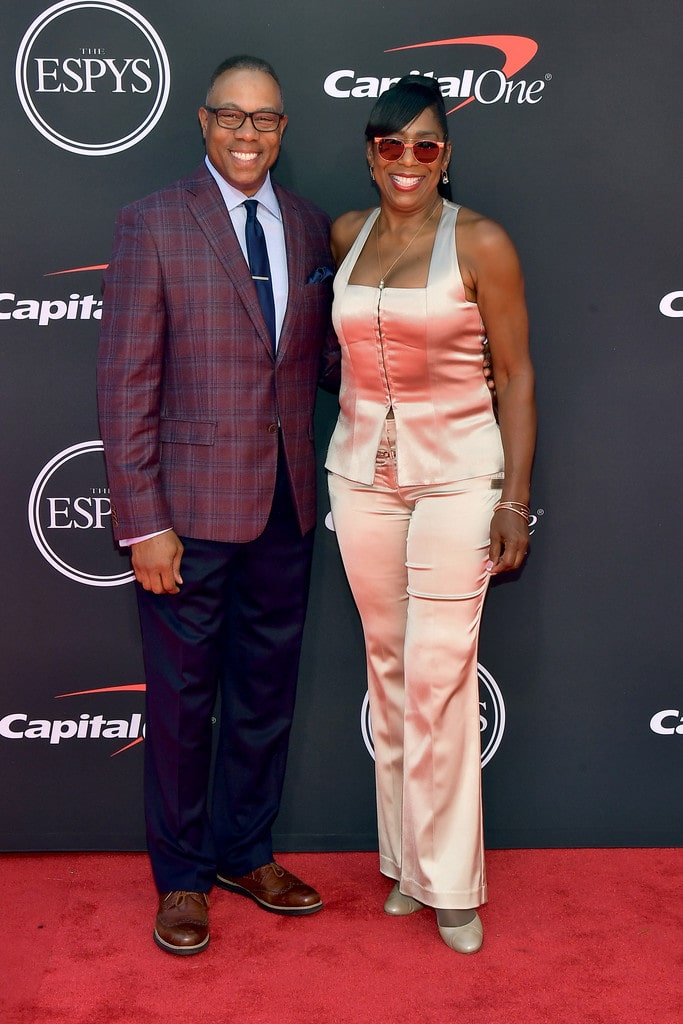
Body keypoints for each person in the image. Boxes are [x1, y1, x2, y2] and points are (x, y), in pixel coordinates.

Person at [97, 54, 339, 956]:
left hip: (286, 507)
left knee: (266, 698)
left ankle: (246, 852)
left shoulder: (312, 230)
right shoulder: (152, 224)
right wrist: (143, 522)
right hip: (186, 519)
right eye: (232, 117)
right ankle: (184, 878)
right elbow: (126, 388)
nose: (248, 133)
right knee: (183, 700)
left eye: (266, 119)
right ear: (202, 123)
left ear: (283, 130)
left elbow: (318, 366)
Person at [325, 75, 536, 954]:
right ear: (369, 155)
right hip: (361, 478)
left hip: (458, 479)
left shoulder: (482, 242)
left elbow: (517, 376)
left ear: (446, 156)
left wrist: (515, 499)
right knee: (388, 671)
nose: (406, 160)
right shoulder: (345, 234)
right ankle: (406, 861)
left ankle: (451, 882)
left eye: (425, 146)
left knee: (441, 673)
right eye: (389, 144)